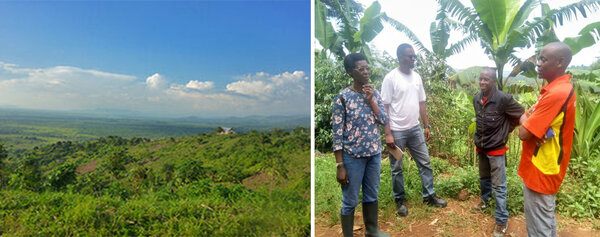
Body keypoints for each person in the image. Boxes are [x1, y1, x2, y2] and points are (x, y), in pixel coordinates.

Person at [380, 43, 446, 217]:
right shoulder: (390, 78)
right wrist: (388, 134)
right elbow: (384, 107)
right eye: (411, 56)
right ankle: (400, 201)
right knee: (397, 167)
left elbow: (421, 103)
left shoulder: (416, 77)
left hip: (415, 129)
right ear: (401, 57)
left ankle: (429, 195)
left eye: (414, 56)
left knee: (425, 162)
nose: (414, 59)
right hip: (396, 131)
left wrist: (427, 125)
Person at [518, 42, 576, 237]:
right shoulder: (558, 89)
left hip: (542, 168)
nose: (538, 63)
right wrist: (526, 120)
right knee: (547, 221)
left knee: (538, 228)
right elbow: (525, 118)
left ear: (560, 63)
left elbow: (523, 133)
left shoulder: (555, 94)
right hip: (546, 165)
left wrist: (526, 120)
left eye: (543, 59)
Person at [332, 52, 389, 237]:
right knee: (349, 200)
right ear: (350, 72)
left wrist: (371, 99)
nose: (366, 72)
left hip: (374, 153)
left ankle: (372, 230)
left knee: (372, 194)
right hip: (352, 156)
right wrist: (340, 164)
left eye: (367, 68)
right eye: (361, 69)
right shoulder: (342, 98)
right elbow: (338, 133)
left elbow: (383, 119)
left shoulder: (374, 93)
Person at [472, 68, 524, 237]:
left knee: (499, 186)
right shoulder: (476, 98)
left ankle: (501, 220)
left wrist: (505, 130)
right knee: (484, 178)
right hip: (481, 146)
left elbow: (520, 113)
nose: (482, 82)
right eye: (481, 79)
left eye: (486, 79)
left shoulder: (503, 98)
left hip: (496, 148)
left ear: (493, 81)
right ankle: (485, 202)